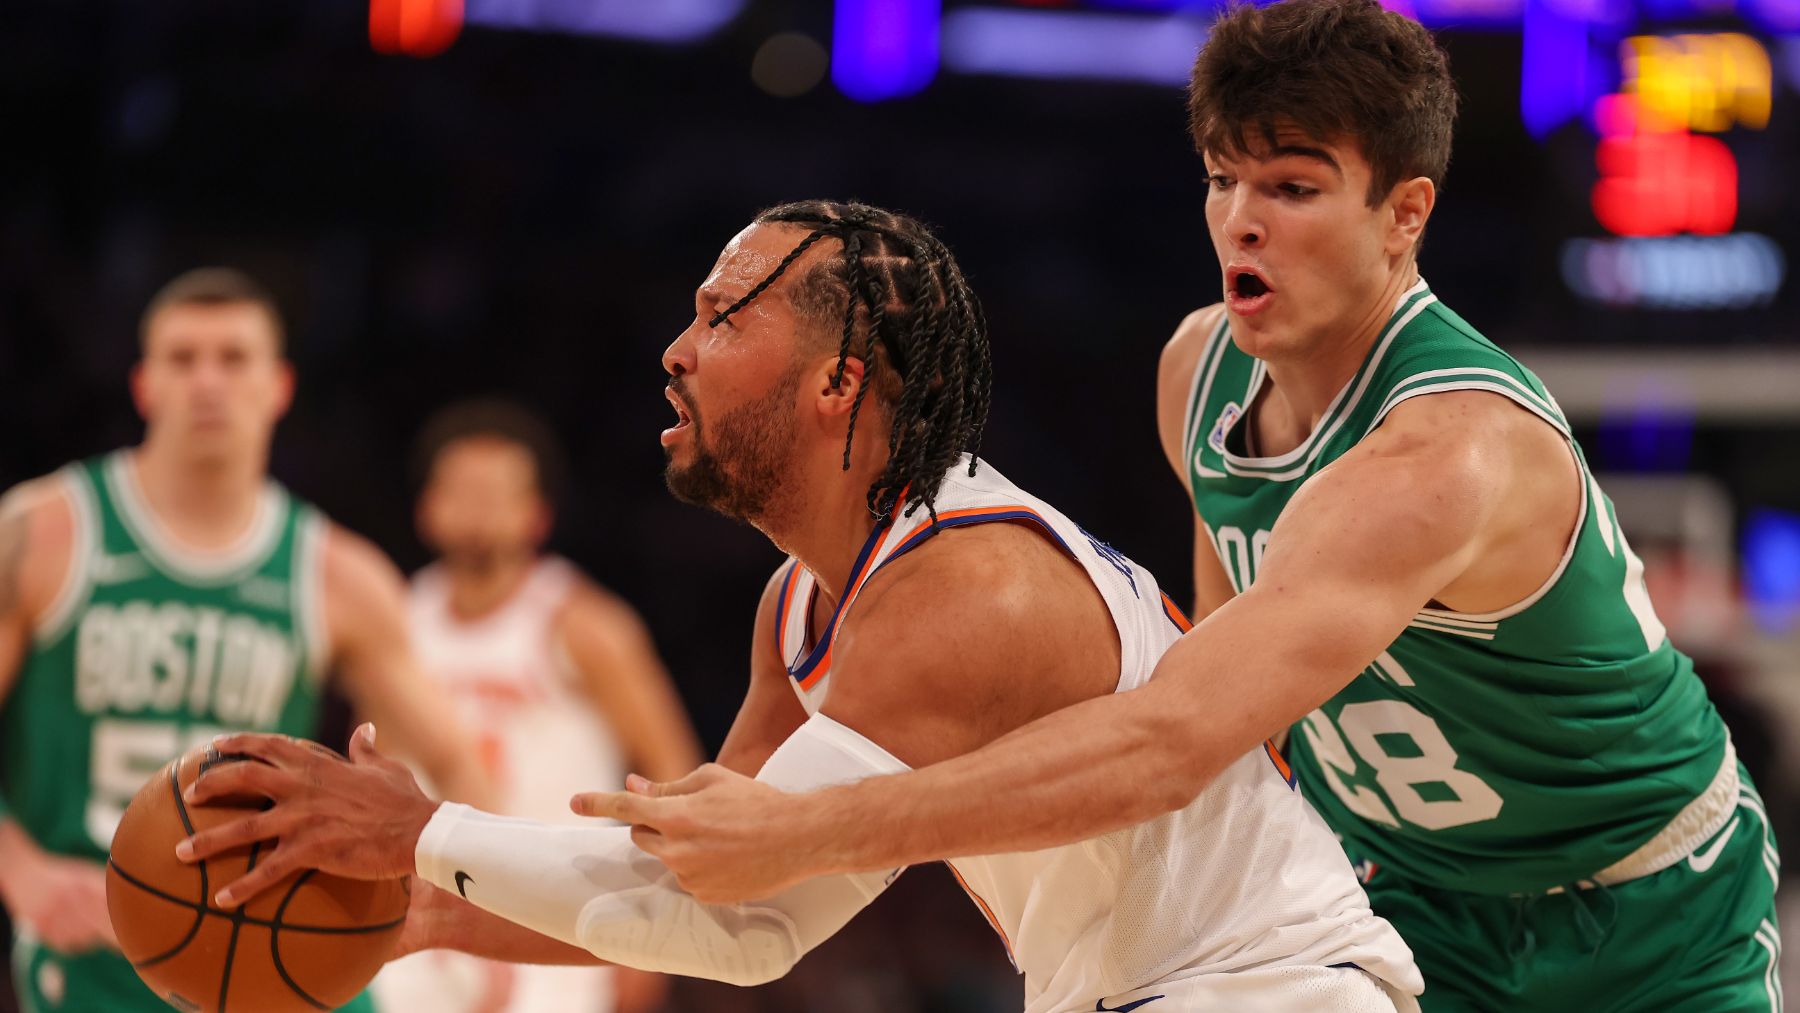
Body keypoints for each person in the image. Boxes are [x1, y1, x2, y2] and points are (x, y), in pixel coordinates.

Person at [558, 4, 1785, 1011]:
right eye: (1221, 177)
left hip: (1644, 909)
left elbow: (1169, 737)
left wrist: (818, 827)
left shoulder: (1445, 451)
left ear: (1404, 212)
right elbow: (1233, 700)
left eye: (1296, 187)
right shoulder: (1196, 373)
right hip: (1413, 894)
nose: (1243, 218)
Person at [174, 202, 1425, 1012]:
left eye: (723, 315)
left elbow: (742, 914)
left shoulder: (962, 584)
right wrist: (432, 904)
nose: (676, 347)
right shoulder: (801, 603)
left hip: (1265, 987)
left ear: (838, 379)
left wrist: (421, 827)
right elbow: (711, 901)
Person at [0, 267, 490, 1013]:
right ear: (144, 385)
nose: (208, 382)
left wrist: (473, 895)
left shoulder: (337, 572)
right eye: (183, 358)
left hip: (274, 926)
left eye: (232, 358)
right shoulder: (40, 532)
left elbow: (454, 758)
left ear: (279, 385)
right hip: (96, 937)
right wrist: (24, 872)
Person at [373, 400, 701, 1013]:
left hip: (555, 919)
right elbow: (373, 771)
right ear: (428, 506)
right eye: (463, 490)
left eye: (498, 492)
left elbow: (673, 773)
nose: (478, 506)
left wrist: (661, 923)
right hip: (423, 926)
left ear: (538, 513)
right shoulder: (395, 623)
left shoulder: (586, 625)